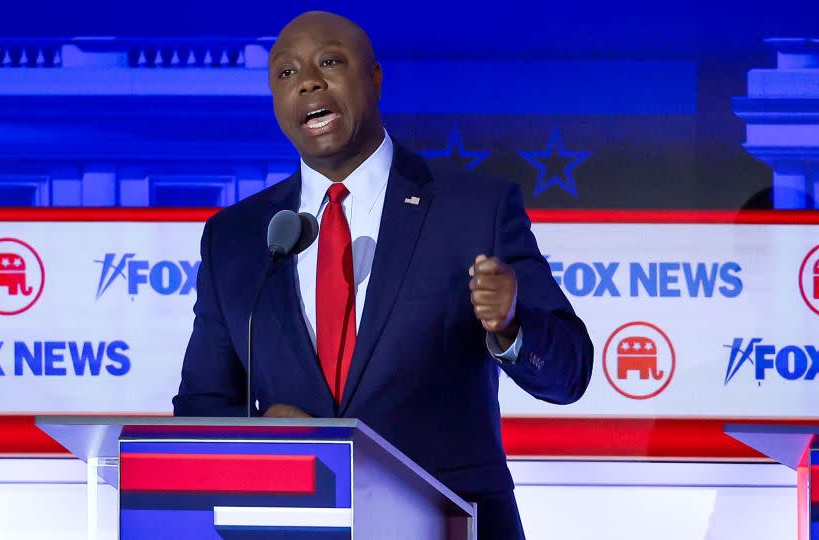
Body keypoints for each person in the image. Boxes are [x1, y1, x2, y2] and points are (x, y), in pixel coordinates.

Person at [173, 11, 593, 539]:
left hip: (449, 523)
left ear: (374, 76)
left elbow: (570, 373)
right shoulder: (234, 239)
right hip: (293, 523)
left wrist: (512, 326)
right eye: (285, 73)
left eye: (329, 61)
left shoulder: (472, 208)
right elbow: (199, 407)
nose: (307, 81)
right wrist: (259, 433)